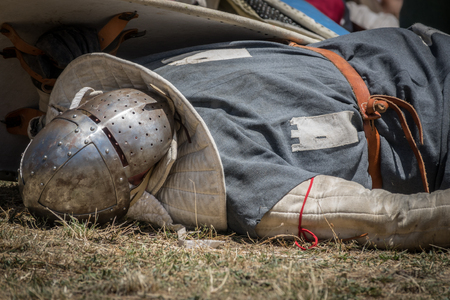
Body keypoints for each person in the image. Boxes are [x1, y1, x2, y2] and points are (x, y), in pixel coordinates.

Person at [19, 23, 450, 250]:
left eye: (92, 113)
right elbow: (391, 218)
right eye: (115, 145)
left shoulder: (147, 76)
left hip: (408, 46)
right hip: (433, 124)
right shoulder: (230, 181)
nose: (119, 120)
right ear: (131, 185)